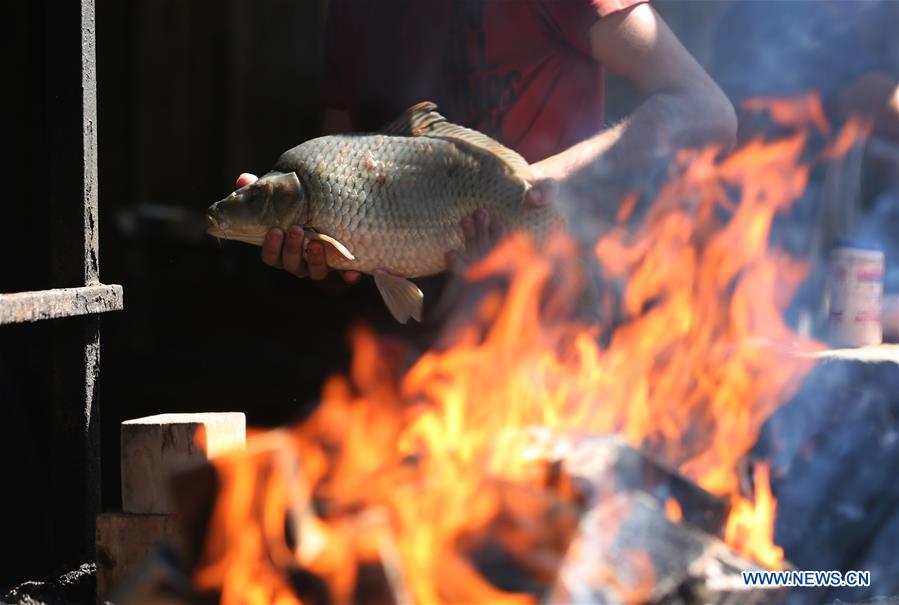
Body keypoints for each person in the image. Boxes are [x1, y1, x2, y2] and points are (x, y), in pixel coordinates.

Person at [240, 1, 737, 289]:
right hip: (419, 374)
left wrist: (536, 190)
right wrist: (317, 249)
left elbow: (704, 110)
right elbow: (347, 234)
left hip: (558, 330)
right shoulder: (355, 13)